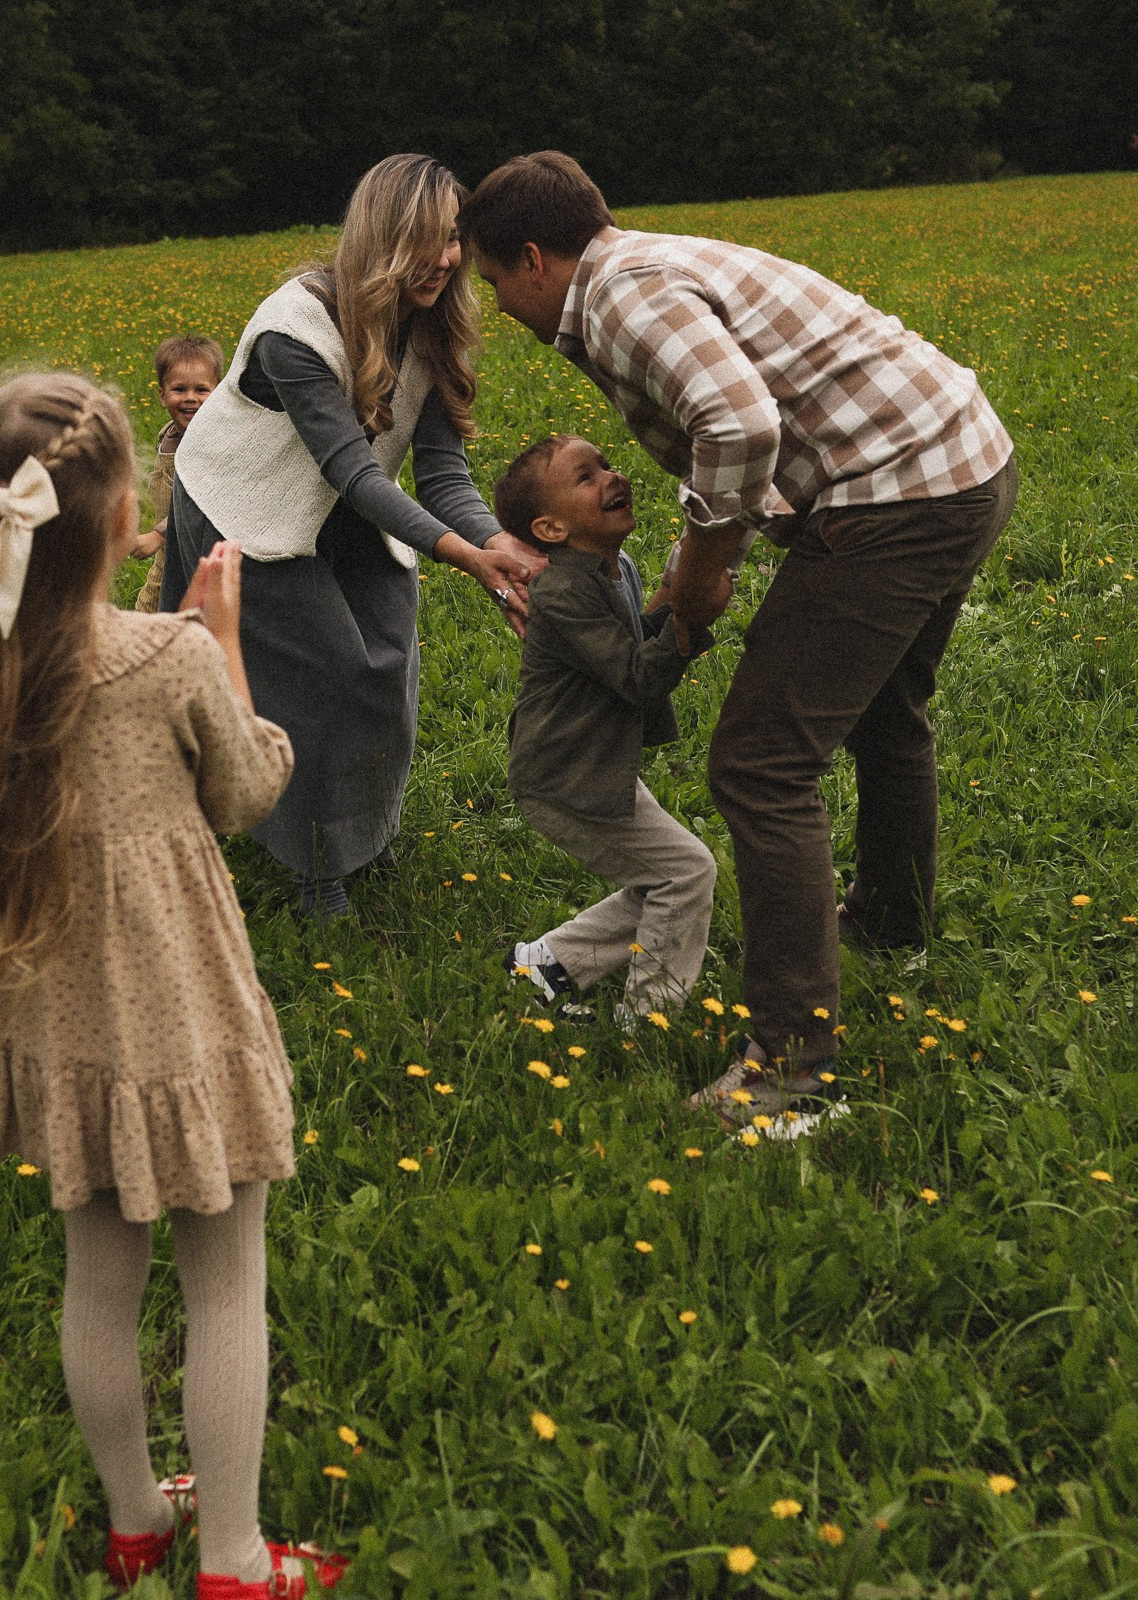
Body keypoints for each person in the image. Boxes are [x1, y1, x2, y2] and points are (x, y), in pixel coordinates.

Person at [461, 151, 1018, 1128]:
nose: (500, 305)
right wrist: (691, 550)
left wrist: (710, 565)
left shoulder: (624, 301)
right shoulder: (643, 272)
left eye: (495, 281)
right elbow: (730, 430)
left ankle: (793, 1076)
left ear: (536, 260)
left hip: (900, 496)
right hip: (960, 459)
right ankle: (891, 924)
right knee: (888, 711)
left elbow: (736, 421)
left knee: (761, 763)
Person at [0, 372, 342, 1598]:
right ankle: (234, 1560)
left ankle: (134, 1522)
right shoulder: (165, 656)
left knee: (97, 1277)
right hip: (175, 1006)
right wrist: (221, 642)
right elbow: (249, 792)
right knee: (226, 1277)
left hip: (57, 1015)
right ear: (122, 519)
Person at [167, 153, 544, 920]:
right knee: (326, 667)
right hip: (245, 506)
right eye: (428, 239)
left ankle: (356, 831)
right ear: (384, 236)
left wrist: (497, 545)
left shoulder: (434, 325)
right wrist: (466, 556)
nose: (447, 259)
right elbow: (353, 472)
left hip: (340, 505)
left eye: (454, 240)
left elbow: (440, 477)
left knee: (387, 651)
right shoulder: (294, 327)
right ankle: (311, 864)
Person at [493, 434, 715, 1023]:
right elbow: (634, 676)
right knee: (685, 873)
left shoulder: (612, 568)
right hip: (566, 775)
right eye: (585, 477)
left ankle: (548, 966)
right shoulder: (563, 591)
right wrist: (688, 624)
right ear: (551, 530)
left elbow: (630, 638)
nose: (611, 477)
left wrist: (672, 594)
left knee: (663, 877)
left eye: (607, 464)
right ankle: (648, 1018)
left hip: (593, 767)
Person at [130, 334, 223, 613]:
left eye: (201, 390)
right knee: (149, 609)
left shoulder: (209, 443)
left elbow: (201, 501)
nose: (190, 399)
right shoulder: (168, 434)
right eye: (179, 389)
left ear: (218, 393)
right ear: (162, 395)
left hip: (196, 551)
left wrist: (158, 535)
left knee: (161, 612)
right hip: (170, 550)